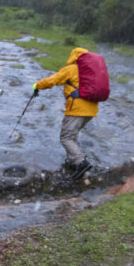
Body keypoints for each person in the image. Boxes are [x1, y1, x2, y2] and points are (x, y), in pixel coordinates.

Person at [33, 47, 97, 178]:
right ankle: (73, 163)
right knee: (72, 135)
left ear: (73, 56)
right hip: (92, 110)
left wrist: (37, 85)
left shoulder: (72, 69)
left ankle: (81, 162)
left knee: (66, 137)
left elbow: (53, 80)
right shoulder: (91, 71)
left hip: (77, 109)